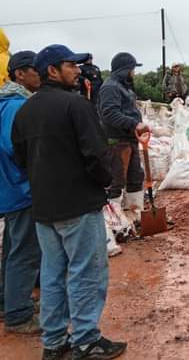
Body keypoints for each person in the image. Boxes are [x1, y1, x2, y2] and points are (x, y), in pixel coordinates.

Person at [11, 44, 126, 359]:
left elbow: (21, 159)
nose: (77, 70)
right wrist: (106, 183)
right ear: (52, 70)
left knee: (52, 274)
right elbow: (97, 155)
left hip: (44, 209)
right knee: (86, 271)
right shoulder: (75, 106)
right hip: (78, 205)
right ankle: (86, 339)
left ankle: (54, 342)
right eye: (70, 65)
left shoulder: (24, 112)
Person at [0, 51, 41, 334]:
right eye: (35, 70)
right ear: (20, 74)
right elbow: (13, 147)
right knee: (25, 251)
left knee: (13, 248)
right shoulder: (16, 106)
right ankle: (18, 314)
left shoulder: (6, 103)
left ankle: (8, 301)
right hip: (21, 188)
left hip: (10, 188)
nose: (40, 75)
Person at [97, 52, 150, 224]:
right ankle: (115, 223)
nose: (133, 73)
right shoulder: (110, 87)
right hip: (116, 142)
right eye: (132, 70)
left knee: (136, 177)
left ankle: (137, 217)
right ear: (125, 69)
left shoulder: (123, 86)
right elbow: (109, 114)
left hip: (129, 140)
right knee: (116, 181)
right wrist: (134, 124)